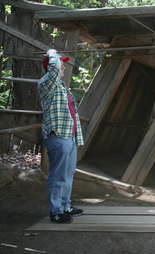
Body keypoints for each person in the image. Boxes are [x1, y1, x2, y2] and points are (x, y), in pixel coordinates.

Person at [38, 49, 84, 223]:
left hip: (69, 137)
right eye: (61, 65)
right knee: (58, 175)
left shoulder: (62, 87)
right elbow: (55, 68)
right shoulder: (46, 83)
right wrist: (52, 53)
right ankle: (56, 210)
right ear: (52, 67)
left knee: (69, 173)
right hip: (58, 136)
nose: (63, 68)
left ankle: (65, 206)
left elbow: (72, 114)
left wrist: (76, 138)